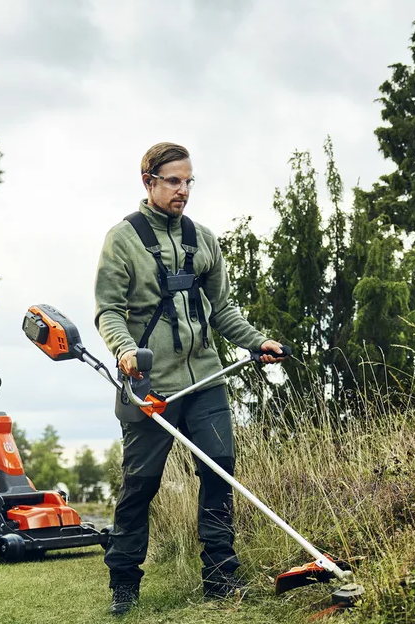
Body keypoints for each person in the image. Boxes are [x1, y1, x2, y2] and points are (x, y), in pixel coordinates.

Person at [94, 142, 285, 616]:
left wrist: (256, 341)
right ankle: (124, 585)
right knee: (141, 483)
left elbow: (222, 310)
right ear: (149, 182)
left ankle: (221, 578)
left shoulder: (203, 239)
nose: (183, 190)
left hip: (206, 377)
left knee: (219, 468)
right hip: (149, 385)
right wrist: (125, 352)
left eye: (188, 181)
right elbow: (108, 312)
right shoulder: (122, 240)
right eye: (174, 181)